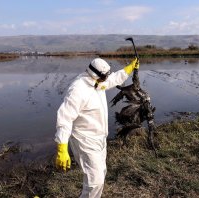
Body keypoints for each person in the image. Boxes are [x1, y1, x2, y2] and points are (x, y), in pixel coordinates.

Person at [54, 57, 139, 198]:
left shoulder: (97, 82)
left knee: (101, 174)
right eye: (104, 76)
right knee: (95, 182)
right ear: (96, 75)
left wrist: (129, 68)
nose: (106, 79)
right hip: (85, 141)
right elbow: (65, 118)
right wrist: (62, 148)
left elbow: (112, 80)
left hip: (100, 138)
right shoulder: (78, 89)